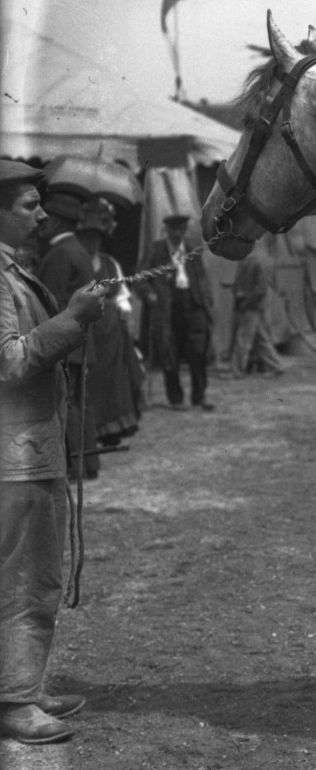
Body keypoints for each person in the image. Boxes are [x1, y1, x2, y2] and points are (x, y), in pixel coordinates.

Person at [0, 159, 108, 744]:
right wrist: (71, 319)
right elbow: (10, 360)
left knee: (32, 575)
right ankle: (14, 704)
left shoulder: (12, 269)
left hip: (26, 451)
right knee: (22, 579)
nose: (41, 214)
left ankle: (23, 684)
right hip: (13, 459)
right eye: (27, 205)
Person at [35, 191, 98, 480]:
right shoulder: (79, 251)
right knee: (80, 404)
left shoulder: (59, 255)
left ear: (58, 222)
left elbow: (52, 306)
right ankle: (88, 464)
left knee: (68, 405)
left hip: (66, 345)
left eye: (47, 218)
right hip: (81, 342)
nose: (41, 222)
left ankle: (74, 467)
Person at [78, 201, 143, 447]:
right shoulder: (76, 260)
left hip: (112, 331)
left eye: (96, 237)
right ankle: (92, 430)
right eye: (88, 237)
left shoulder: (110, 263)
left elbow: (123, 293)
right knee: (92, 379)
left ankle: (112, 430)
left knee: (113, 381)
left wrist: (125, 311)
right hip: (89, 330)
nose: (92, 242)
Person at [138, 214, 215, 411]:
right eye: (174, 230)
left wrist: (207, 302)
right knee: (169, 353)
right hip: (168, 309)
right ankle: (176, 398)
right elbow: (141, 279)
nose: (177, 234)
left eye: (181, 230)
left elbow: (202, 278)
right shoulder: (156, 250)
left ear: (185, 231)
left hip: (193, 305)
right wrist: (150, 295)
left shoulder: (191, 249)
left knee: (198, 353)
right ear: (167, 231)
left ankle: (200, 396)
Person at [229, 248, 286, 377]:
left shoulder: (253, 262)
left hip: (250, 306)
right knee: (262, 340)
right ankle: (277, 366)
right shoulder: (253, 261)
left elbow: (260, 288)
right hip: (253, 305)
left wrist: (245, 301)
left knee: (243, 339)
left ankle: (237, 371)